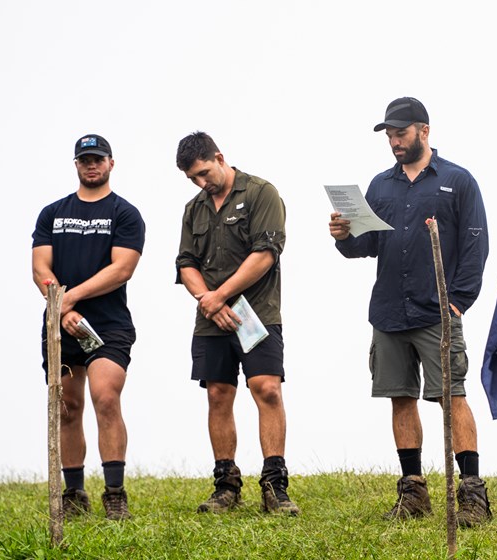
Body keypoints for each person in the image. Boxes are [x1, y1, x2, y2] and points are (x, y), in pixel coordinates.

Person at [329, 97, 492, 527]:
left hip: (438, 313)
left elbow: (477, 246)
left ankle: (473, 495)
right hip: (387, 313)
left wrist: (458, 303)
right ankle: (413, 492)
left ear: (424, 131)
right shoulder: (380, 185)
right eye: (389, 135)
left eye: (400, 133)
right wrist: (344, 235)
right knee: (400, 399)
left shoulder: (459, 181)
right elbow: (364, 247)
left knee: (451, 397)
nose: (394, 142)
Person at [175, 131, 298, 516]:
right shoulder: (194, 208)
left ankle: (275, 485)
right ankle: (226, 484)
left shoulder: (261, 193)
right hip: (212, 320)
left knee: (267, 390)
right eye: (193, 178)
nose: (201, 182)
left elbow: (265, 254)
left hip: (257, 313)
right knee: (218, 395)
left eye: (204, 172)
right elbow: (185, 263)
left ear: (220, 157)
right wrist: (207, 302)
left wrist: (219, 295)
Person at [32, 134, 145, 521]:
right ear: (76, 165)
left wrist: (69, 298)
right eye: (84, 160)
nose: (91, 165)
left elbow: (121, 269)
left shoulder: (125, 213)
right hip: (58, 324)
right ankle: (74, 492)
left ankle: (114, 493)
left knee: (105, 397)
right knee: (67, 407)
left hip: (109, 325)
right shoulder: (52, 213)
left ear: (111, 163)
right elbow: (40, 269)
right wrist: (60, 311)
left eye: (98, 159)